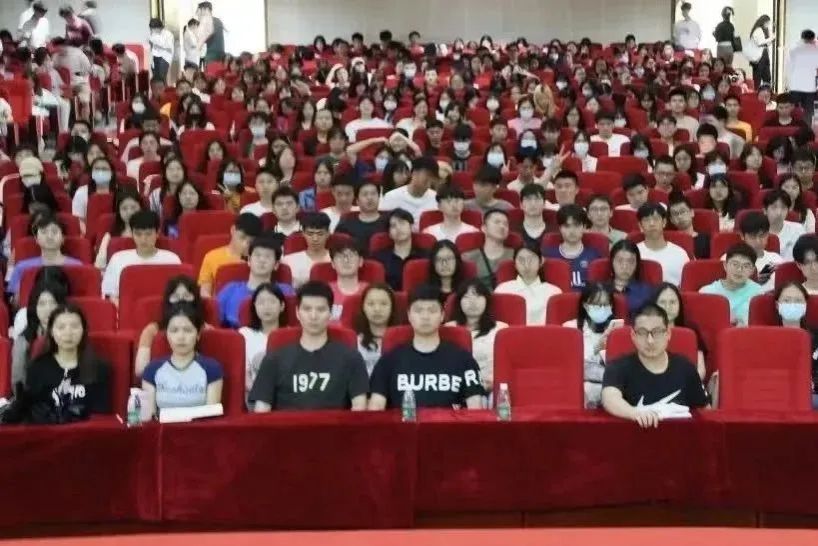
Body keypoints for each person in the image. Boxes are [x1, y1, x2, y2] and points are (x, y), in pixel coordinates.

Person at [250, 281, 369, 411]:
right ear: (297, 312)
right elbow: (261, 411)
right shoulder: (274, 360)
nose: (313, 316)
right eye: (307, 309)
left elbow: (359, 409)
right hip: (287, 424)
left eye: (321, 309)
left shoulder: (351, 358)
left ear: (331, 313)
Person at [368, 284, 485, 410]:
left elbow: (476, 411)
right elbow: (376, 409)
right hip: (403, 423)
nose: (425, 317)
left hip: (448, 423)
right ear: (409, 315)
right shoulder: (388, 361)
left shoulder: (464, 361)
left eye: (432, 310)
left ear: (442, 315)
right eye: (418, 310)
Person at [601, 303, 708, 428]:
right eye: (642, 332)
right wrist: (634, 413)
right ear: (633, 336)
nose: (650, 341)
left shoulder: (686, 368)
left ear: (668, 334)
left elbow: (704, 411)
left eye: (657, 332)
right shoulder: (618, 367)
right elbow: (609, 397)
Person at [25, 304, 111, 416]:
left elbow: (100, 415)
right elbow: (32, 412)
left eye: (74, 326)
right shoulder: (37, 368)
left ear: (83, 330)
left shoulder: (99, 368)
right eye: (61, 327)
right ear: (51, 332)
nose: (68, 333)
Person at [142, 304, 223, 415]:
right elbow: (149, 417)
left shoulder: (212, 369)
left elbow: (211, 417)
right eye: (174, 330)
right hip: (162, 426)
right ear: (166, 334)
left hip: (200, 426)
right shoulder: (152, 370)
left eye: (188, 330)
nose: (181, 337)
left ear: (198, 334)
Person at [101, 211, 182, 306]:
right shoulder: (118, 259)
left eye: (148, 234)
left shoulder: (172, 260)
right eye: (138, 234)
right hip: (127, 311)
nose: (143, 239)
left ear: (157, 233)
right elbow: (110, 295)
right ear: (132, 234)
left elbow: (180, 293)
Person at [562, 283, 622, 408]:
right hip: (582, 390)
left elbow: (622, 369)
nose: (602, 308)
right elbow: (571, 367)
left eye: (605, 305)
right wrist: (597, 350)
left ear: (611, 306)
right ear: (585, 305)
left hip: (612, 390)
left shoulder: (618, 332)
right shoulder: (569, 329)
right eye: (597, 304)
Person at [217, 235, 294, 328]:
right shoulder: (230, 290)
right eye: (257, 255)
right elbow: (215, 322)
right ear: (249, 260)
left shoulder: (286, 291)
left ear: (276, 265)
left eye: (267, 256)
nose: (262, 260)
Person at [447, 279, 507, 392]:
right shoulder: (448, 329)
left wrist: (493, 383)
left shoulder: (501, 329)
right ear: (459, 302)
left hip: (491, 389)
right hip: (454, 389)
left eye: (478, 296)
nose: (472, 302)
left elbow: (506, 365)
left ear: (486, 300)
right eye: (466, 297)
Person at [7, 216, 82, 302]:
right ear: (36, 239)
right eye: (44, 232)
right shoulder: (22, 267)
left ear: (63, 238)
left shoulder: (77, 266)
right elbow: (16, 302)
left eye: (54, 232)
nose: (49, 236)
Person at [12, 280, 67, 387]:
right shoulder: (23, 340)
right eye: (42, 304)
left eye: (53, 303)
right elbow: (18, 382)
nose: (48, 309)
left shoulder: (73, 335)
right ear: (34, 308)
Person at [773, 281, 818, 408]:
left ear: (805, 305)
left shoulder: (816, 337)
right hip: (777, 395)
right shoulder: (766, 338)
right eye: (786, 300)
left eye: (798, 301)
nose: (792, 304)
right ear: (777, 305)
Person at [239, 283, 285, 401]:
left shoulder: (290, 335)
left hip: (286, 397)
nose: (266, 307)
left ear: (282, 306)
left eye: (272, 302)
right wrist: (262, 395)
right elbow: (244, 375)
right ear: (254, 306)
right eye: (261, 302)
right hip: (255, 396)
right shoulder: (245, 334)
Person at [700, 243, 763, 327]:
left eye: (746, 266)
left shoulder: (758, 293)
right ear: (725, 265)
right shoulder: (707, 293)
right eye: (735, 264)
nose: (739, 270)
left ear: (752, 270)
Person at [198, 213, 262, 297]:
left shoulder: (258, 260)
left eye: (251, 241)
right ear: (233, 230)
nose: (245, 244)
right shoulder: (212, 257)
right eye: (242, 237)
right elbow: (204, 291)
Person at [495, 245, 562, 325]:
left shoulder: (554, 292)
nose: (526, 265)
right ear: (515, 264)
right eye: (521, 260)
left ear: (541, 261)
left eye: (531, 259)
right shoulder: (502, 290)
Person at [544, 205, 601, 291]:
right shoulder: (548, 256)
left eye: (576, 225)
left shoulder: (594, 256)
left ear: (584, 227)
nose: (572, 231)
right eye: (567, 226)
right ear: (560, 228)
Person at [373, 208, 427, 291]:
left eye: (402, 223)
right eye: (393, 226)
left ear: (411, 227)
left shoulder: (425, 256)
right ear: (389, 234)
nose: (398, 228)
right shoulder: (379, 258)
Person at [636, 203, 690, 286]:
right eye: (646, 220)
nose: (652, 224)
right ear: (640, 226)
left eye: (656, 219)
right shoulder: (634, 252)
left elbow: (686, 285)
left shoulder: (680, 254)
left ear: (664, 222)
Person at [379, 156, 438, 230]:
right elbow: (384, 226)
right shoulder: (392, 197)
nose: (430, 180)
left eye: (433, 177)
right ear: (414, 173)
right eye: (428, 175)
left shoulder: (436, 198)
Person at [732, 211, 784, 293]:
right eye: (753, 237)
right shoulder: (731, 259)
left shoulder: (777, 260)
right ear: (742, 236)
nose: (758, 241)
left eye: (762, 236)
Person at [462, 209, 514, 289]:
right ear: (484, 228)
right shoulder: (468, 258)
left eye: (506, 224)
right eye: (497, 222)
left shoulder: (515, 256)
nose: (502, 226)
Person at [354, 283, 397, 376]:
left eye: (383, 304)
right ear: (363, 307)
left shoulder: (402, 341)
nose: (377, 309)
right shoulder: (354, 342)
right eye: (371, 304)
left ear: (392, 307)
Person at [281, 212, 333, 289]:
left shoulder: (336, 259)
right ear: (303, 233)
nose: (315, 239)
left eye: (320, 234)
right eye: (310, 234)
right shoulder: (288, 261)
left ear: (328, 233)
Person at [95, 188, 143, 270]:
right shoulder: (109, 236)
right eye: (124, 208)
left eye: (133, 208)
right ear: (118, 211)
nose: (129, 212)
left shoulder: (149, 233)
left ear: (141, 208)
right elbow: (100, 265)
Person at [335, 181, 387, 253]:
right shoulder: (346, 224)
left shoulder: (390, 221)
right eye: (365, 194)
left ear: (379, 198)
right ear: (357, 201)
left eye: (373, 194)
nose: (369, 198)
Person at [607, 240, 654, 314]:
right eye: (620, 261)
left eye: (630, 261)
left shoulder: (646, 291)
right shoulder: (601, 289)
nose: (625, 266)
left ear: (637, 263)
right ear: (612, 262)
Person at [787, 30, 818, 127]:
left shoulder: (794, 49)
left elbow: (790, 66)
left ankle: (792, 127)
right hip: (809, 86)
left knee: (793, 108)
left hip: (796, 85)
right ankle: (806, 129)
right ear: (812, 39)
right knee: (808, 111)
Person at [764, 189, 806, 261]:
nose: (779, 213)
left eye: (783, 208)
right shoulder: (758, 234)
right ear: (765, 210)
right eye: (774, 207)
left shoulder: (798, 229)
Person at [667, 193, 710, 259]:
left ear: (692, 213)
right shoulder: (669, 241)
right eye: (675, 214)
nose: (680, 216)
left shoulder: (706, 239)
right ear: (671, 220)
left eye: (683, 211)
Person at [747, 15, 775, 88]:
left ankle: (767, 90)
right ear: (763, 22)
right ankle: (757, 92)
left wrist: (771, 38)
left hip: (764, 54)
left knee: (767, 76)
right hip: (758, 56)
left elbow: (766, 43)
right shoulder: (758, 30)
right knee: (757, 77)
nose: (768, 25)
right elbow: (760, 42)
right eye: (767, 23)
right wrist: (771, 38)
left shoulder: (765, 30)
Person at [196, 2, 226, 66]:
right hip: (221, 54)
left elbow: (209, 33)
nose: (200, 13)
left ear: (206, 9)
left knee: (211, 71)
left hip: (212, 54)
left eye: (201, 10)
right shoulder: (218, 20)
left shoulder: (207, 20)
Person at [148, 18, 174, 84]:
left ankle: (164, 90)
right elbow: (152, 46)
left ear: (159, 27)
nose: (153, 30)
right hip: (155, 57)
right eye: (152, 29)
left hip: (164, 58)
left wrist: (157, 44)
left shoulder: (168, 34)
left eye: (154, 28)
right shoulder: (153, 35)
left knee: (162, 77)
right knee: (155, 78)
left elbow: (168, 47)